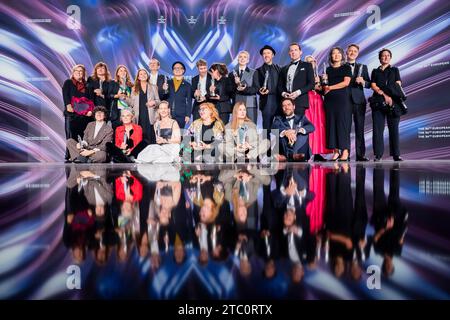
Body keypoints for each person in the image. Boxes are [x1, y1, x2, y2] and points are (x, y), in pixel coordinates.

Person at [370, 48, 404, 161]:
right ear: (380, 58)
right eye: (383, 55)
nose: (385, 57)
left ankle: (396, 154)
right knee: (377, 129)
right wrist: (384, 94)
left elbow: (398, 84)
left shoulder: (395, 70)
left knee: (394, 128)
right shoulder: (375, 71)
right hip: (378, 102)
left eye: (388, 55)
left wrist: (389, 95)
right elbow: (373, 85)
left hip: (393, 102)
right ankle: (378, 155)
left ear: (390, 57)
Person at [323, 47, 352, 161]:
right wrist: (323, 83)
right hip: (329, 101)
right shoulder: (328, 70)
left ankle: (345, 151)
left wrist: (330, 87)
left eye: (338, 53)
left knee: (342, 125)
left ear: (342, 55)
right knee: (332, 125)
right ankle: (335, 151)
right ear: (331, 56)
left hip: (342, 100)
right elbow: (324, 87)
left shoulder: (346, 67)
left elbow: (346, 83)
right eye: (333, 54)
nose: (336, 55)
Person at [304, 55, 333, 161]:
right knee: (309, 125)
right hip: (308, 101)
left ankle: (318, 153)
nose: (311, 63)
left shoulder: (320, 76)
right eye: (308, 61)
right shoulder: (303, 76)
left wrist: (323, 84)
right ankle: (309, 151)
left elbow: (324, 91)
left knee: (320, 126)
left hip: (319, 102)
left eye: (313, 61)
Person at [346, 44, 371, 161]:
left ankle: (360, 155)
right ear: (346, 53)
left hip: (359, 102)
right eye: (350, 51)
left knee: (359, 129)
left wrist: (363, 82)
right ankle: (345, 155)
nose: (352, 53)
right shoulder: (341, 66)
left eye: (354, 51)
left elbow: (370, 84)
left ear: (357, 53)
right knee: (345, 129)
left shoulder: (363, 67)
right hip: (344, 102)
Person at [278, 43, 315, 116]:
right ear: (289, 53)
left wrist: (298, 92)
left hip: (300, 101)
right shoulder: (283, 68)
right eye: (291, 50)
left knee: (298, 125)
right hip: (286, 102)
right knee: (287, 126)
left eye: (295, 50)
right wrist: (284, 94)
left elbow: (311, 84)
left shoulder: (307, 65)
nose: (293, 52)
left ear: (300, 52)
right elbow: (279, 86)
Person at [62, 64, 94, 142]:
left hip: (85, 117)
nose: (79, 72)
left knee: (84, 140)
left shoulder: (87, 85)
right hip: (72, 116)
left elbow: (91, 100)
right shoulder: (68, 82)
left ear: (83, 73)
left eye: (81, 71)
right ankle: (69, 155)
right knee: (71, 140)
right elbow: (66, 96)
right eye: (77, 71)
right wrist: (68, 105)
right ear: (73, 73)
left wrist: (90, 111)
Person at [127, 68, 160, 144]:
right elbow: (132, 103)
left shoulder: (153, 87)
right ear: (138, 77)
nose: (143, 75)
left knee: (150, 137)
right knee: (140, 137)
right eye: (141, 74)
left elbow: (159, 101)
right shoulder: (134, 88)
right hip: (139, 116)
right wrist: (125, 98)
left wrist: (154, 102)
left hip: (150, 116)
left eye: (145, 73)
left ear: (147, 75)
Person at [254, 45, 281, 132]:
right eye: (264, 53)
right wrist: (260, 91)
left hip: (279, 101)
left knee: (279, 128)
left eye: (268, 53)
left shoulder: (279, 69)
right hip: (266, 102)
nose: (266, 55)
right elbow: (257, 87)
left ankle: (278, 146)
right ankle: (267, 145)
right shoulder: (258, 71)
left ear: (272, 55)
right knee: (266, 129)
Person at [160, 61, 192, 130]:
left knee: (179, 135)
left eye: (179, 68)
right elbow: (162, 98)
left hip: (181, 115)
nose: (177, 70)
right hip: (167, 113)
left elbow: (189, 100)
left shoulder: (187, 85)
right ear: (173, 71)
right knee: (167, 135)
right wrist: (163, 90)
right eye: (175, 68)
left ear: (183, 70)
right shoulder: (167, 83)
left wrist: (188, 115)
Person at [229, 51, 259, 123]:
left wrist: (245, 89)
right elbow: (229, 90)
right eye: (240, 57)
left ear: (248, 60)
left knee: (251, 127)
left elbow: (256, 88)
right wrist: (236, 84)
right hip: (237, 102)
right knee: (237, 126)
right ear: (237, 59)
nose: (242, 59)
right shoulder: (232, 74)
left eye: (245, 57)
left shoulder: (253, 72)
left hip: (250, 104)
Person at [109, 65, 133, 130]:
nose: (123, 72)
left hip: (128, 110)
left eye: (124, 71)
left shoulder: (130, 85)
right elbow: (109, 95)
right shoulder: (113, 83)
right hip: (117, 111)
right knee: (117, 130)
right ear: (117, 73)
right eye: (121, 71)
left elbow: (133, 98)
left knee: (128, 130)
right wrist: (117, 96)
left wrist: (127, 97)